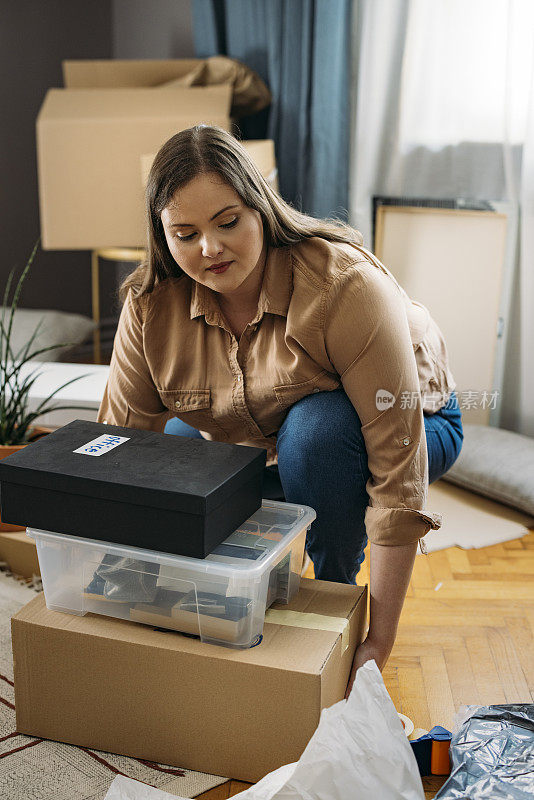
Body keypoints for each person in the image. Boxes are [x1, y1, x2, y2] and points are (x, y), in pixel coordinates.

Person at [97, 124, 463, 696]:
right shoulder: (149, 309)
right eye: (185, 233)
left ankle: (334, 589)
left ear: (260, 208)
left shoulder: (343, 285)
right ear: (161, 235)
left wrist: (375, 639)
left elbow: (399, 477)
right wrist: (114, 585)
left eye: (227, 222)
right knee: (172, 447)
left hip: (414, 420)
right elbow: (116, 454)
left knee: (316, 434)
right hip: (256, 438)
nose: (210, 249)